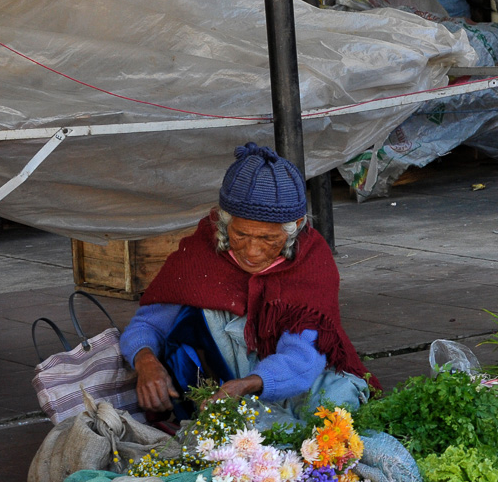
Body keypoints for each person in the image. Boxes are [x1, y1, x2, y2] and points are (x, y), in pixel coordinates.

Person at [120, 143, 374, 420]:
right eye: (241, 235)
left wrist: (249, 384)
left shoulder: (313, 262)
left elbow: (303, 356)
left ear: (296, 225)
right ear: (223, 222)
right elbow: (147, 324)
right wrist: (145, 361)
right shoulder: (200, 253)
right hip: (220, 384)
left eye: (268, 239)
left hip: (285, 380)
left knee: (336, 402)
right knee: (203, 305)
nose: (252, 252)